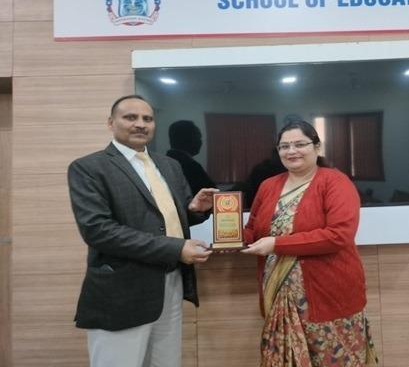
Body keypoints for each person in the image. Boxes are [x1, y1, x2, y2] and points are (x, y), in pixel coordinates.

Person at [67, 95, 216, 367]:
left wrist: (193, 209)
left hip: (171, 283)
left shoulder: (169, 165)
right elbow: (98, 230)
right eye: (130, 117)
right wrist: (176, 248)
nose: (140, 124)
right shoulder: (88, 168)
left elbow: (166, 218)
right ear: (111, 123)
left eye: (147, 118)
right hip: (122, 291)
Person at [242, 120, 378, 366]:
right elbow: (252, 230)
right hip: (278, 292)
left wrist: (276, 244)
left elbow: (339, 235)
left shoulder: (335, 182)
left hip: (329, 294)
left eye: (299, 144)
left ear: (316, 147)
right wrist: (226, 233)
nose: (291, 151)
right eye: (284, 146)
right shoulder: (268, 186)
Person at [166, 120, 216, 195]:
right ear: (187, 139)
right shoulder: (190, 166)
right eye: (198, 137)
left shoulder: (164, 162)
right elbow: (211, 196)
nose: (201, 142)